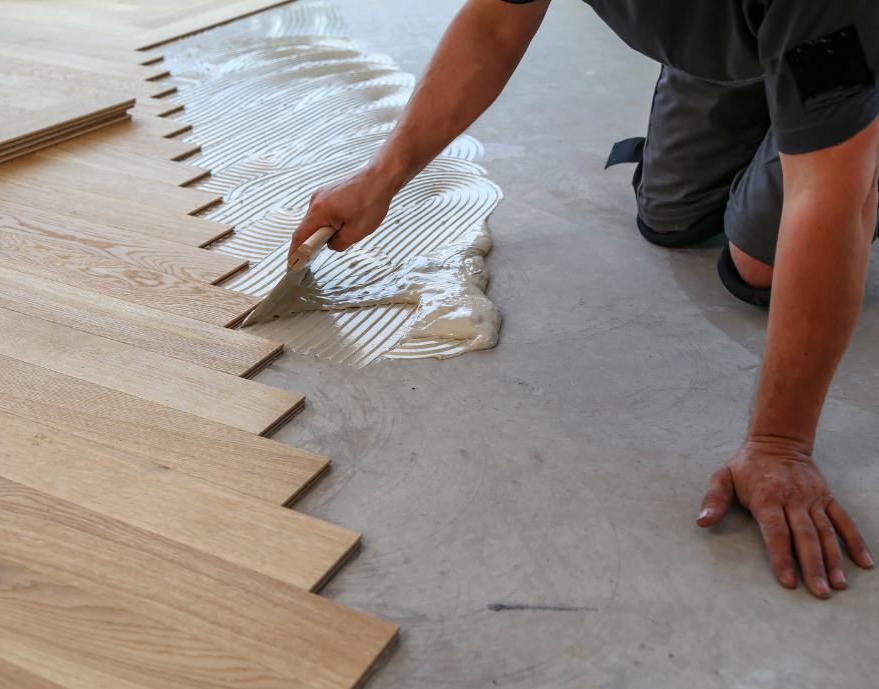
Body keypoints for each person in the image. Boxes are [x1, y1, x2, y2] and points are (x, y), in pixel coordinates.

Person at [287, 0, 878, 598]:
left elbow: (829, 197)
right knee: (669, 216)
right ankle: (775, 80)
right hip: (741, 27)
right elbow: (495, 24)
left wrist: (781, 444)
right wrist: (381, 177)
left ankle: (849, 114)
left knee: (758, 264)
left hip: (836, 32)